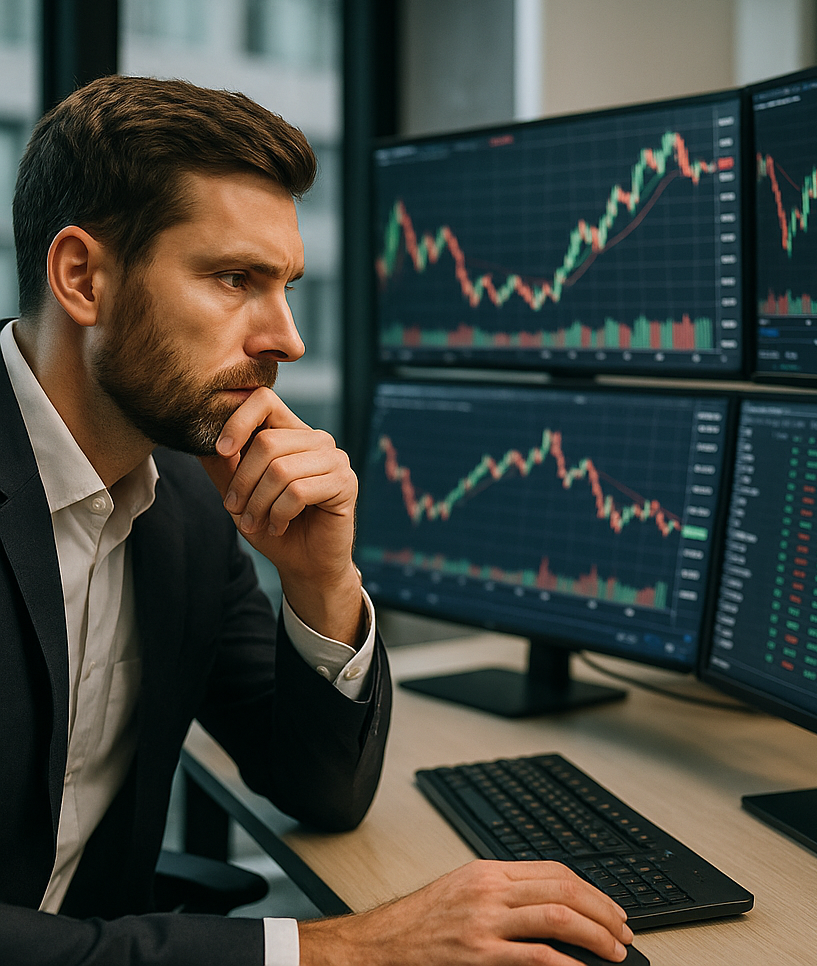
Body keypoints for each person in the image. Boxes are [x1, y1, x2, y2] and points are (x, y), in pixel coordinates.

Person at [0, 75, 634, 966]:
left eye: (287, 285)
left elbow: (318, 788)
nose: (288, 338)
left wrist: (320, 580)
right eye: (235, 280)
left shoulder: (178, 500)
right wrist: (338, 949)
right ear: (82, 277)